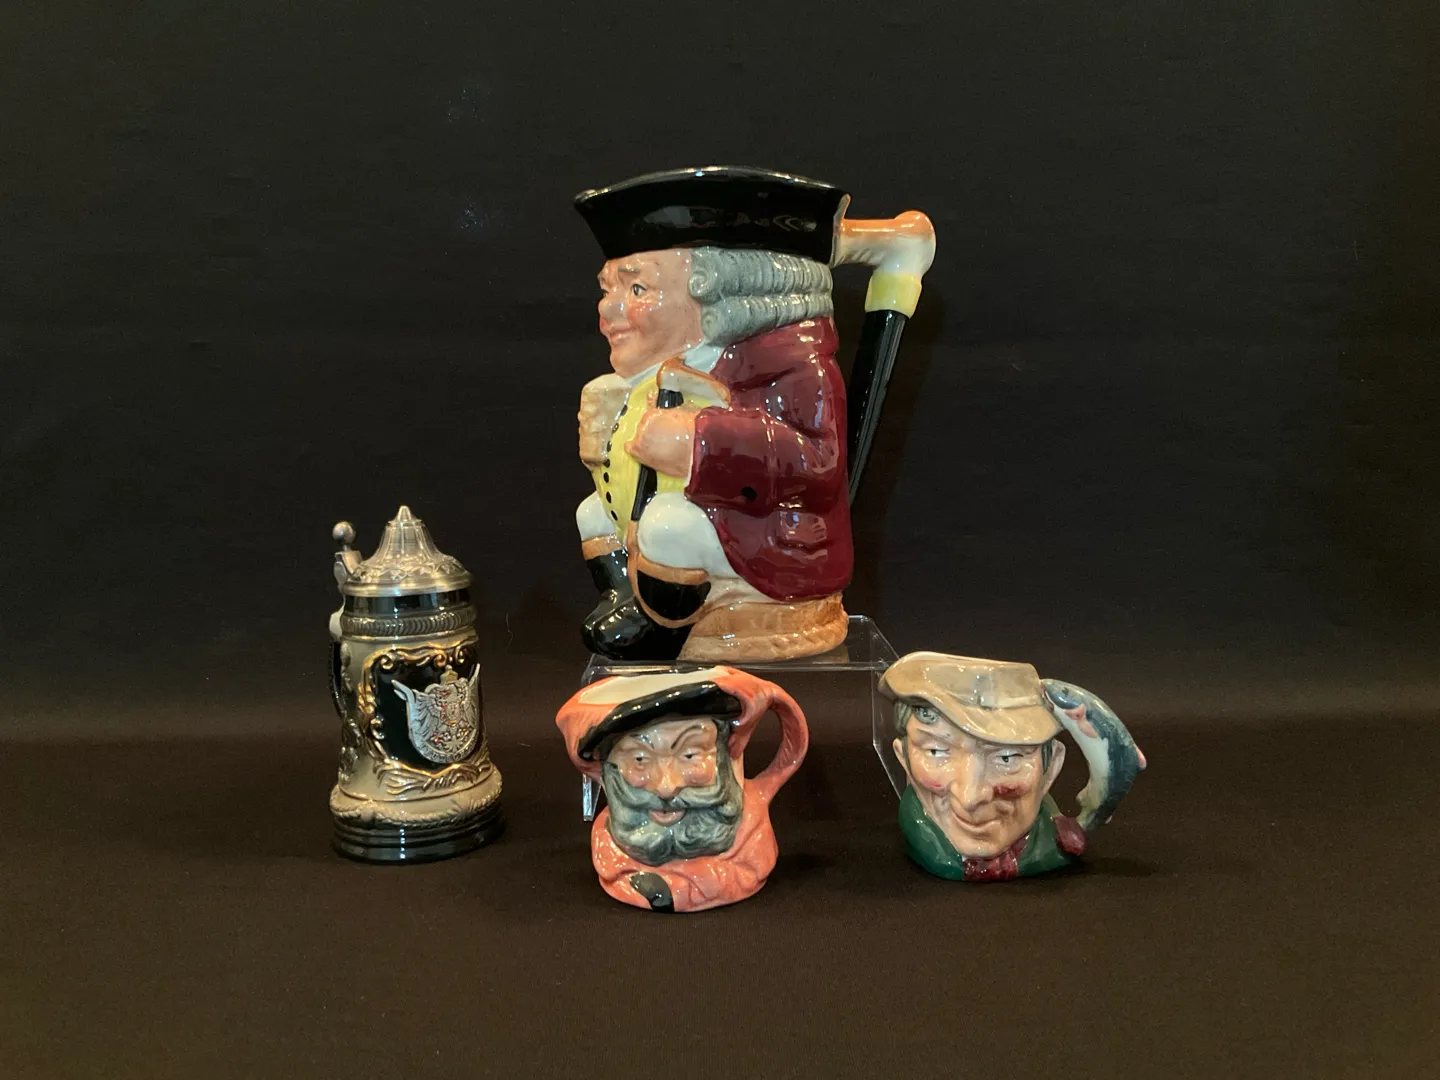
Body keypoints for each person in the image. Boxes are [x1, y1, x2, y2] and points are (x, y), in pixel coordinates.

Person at [572, 167, 853, 662]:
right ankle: (631, 597)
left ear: (719, 294)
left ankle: (666, 627)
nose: (608, 310)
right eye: (607, 290)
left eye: (636, 290)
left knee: (667, 525)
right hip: (689, 518)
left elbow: (819, 461)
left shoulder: (795, 363)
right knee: (592, 513)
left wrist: (700, 442)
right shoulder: (680, 361)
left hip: (773, 538)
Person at [555, 666, 809, 912]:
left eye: (689, 756)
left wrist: (767, 786)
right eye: (640, 760)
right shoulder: (609, 847)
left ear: (725, 752)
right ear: (607, 768)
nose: (666, 787)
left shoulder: (751, 834)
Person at [880, 652, 1088, 881]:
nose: (970, 799)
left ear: (1051, 768)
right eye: (936, 752)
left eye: (1007, 758)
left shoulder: (1062, 840)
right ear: (904, 759)